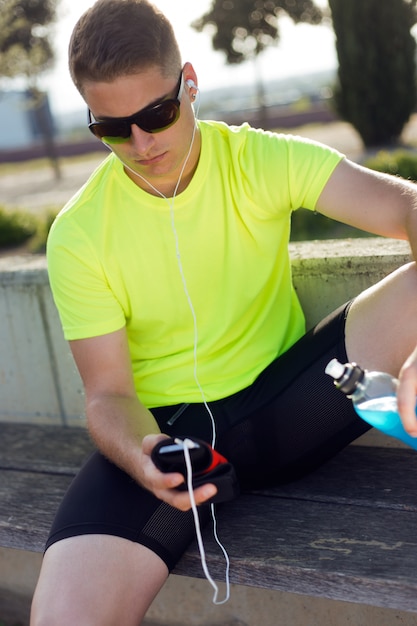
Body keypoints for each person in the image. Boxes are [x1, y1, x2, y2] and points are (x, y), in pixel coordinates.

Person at [30, 0, 417, 624]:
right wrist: (144, 457)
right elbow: (107, 395)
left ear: (189, 83)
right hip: (174, 448)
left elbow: (407, 206)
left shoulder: (257, 159)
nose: (141, 142)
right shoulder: (78, 234)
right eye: (112, 128)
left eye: (157, 113)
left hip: (295, 405)